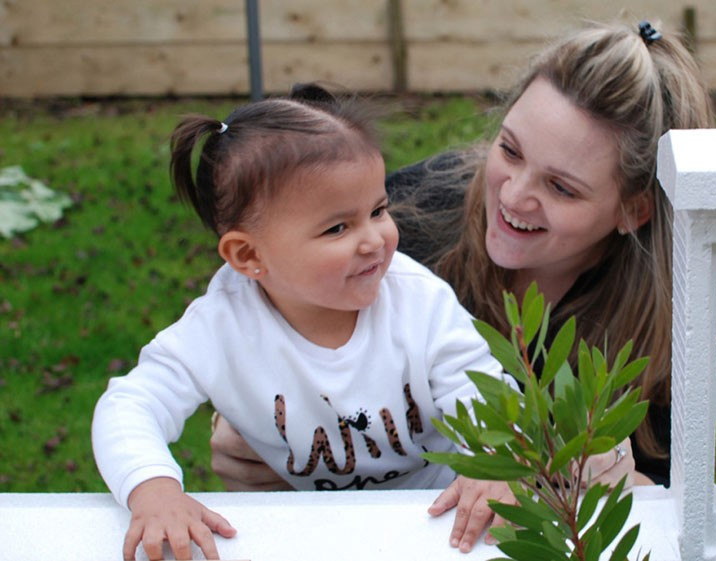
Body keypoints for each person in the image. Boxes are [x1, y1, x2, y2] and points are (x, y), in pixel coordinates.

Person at [208, 18, 716, 553]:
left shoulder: (688, 306)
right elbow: (269, 313)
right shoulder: (404, 223)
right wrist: (260, 433)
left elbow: (675, 498)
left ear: (633, 210)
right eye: (510, 150)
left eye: (561, 187)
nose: (513, 196)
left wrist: (617, 474)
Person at [91, 84, 508, 561]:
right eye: (338, 227)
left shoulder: (419, 302)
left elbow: (481, 388)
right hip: (303, 526)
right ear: (248, 255)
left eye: (378, 210)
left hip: (437, 516)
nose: (375, 240)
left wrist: (493, 462)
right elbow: (130, 404)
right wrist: (153, 489)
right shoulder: (221, 327)